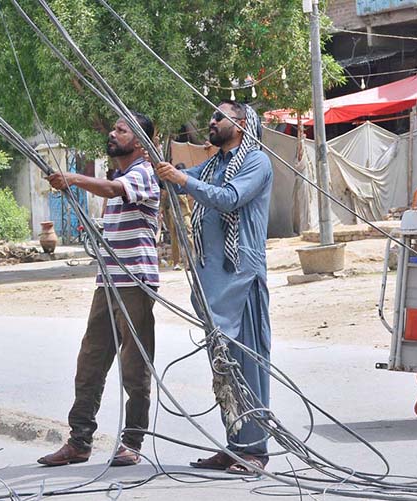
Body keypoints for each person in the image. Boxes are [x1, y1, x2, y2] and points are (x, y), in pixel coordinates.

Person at [154, 101, 273, 475]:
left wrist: (182, 179)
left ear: (239, 125)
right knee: (223, 364)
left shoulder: (256, 162)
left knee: (248, 363)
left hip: (242, 276)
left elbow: (228, 198)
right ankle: (235, 442)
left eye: (218, 116)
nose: (211, 121)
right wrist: (166, 172)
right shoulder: (215, 163)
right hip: (212, 280)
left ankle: (255, 450)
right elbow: (189, 179)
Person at [38, 112, 160, 468]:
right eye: (114, 127)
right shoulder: (121, 174)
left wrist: (73, 179)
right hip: (107, 283)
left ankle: (132, 441)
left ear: (140, 141)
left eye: (122, 129)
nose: (112, 132)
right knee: (90, 362)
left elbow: (113, 190)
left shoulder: (144, 174)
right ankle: (79, 441)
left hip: (135, 282)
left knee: (135, 367)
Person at [159, 163, 193, 270]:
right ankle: (176, 263)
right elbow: (164, 196)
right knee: (175, 237)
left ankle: (189, 262)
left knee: (188, 234)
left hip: (185, 212)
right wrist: (160, 210)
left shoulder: (186, 181)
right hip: (173, 211)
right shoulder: (170, 183)